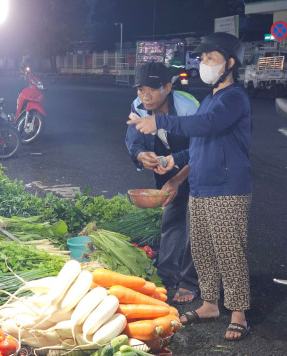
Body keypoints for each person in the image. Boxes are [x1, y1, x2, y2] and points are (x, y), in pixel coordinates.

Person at [128, 32, 252, 341]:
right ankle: (210, 304)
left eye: (211, 58)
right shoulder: (210, 97)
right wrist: (174, 159)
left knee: (229, 251)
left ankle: (238, 314)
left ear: (231, 63)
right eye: (203, 58)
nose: (204, 64)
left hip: (227, 188)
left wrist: (161, 123)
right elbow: (200, 141)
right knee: (203, 250)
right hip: (200, 186)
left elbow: (205, 125)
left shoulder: (233, 97)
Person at [125, 62, 200, 304]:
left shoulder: (189, 108)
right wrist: (141, 156)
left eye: (152, 90)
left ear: (168, 87)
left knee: (197, 226)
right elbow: (134, 141)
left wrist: (178, 179)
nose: (145, 97)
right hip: (167, 165)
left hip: (200, 167)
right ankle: (166, 279)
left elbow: (201, 150)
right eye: (140, 89)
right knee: (171, 220)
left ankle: (190, 282)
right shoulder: (139, 105)